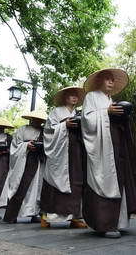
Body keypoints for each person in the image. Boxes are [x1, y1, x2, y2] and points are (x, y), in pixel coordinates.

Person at [81, 68, 136, 238]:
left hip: (116, 142)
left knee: (119, 178)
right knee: (104, 179)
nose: (111, 82)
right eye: (107, 79)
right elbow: (87, 121)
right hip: (101, 146)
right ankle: (105, 223)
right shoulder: (91, 97)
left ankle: (118, 221)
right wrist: (106, 112)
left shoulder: (111, 99)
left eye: (112, 80)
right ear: (99, 81)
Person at [40, 87, 88, 229]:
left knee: (76, 181)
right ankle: (46, 216)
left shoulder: (79, 113)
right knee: (55, 181)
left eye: (76, 96)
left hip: (76, 149)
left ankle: (74, 216)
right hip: (59, 150)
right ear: (65, 98)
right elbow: (48, 131)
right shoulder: (56, 112)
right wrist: (64, 125)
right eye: (71, 95)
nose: (74, 98)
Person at [1, 111, 47, 223]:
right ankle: (11, 215)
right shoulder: (22, 129)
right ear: (30, 119)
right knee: (21, 185)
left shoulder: (43, 131)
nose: (37, 121)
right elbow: (15, 145)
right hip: (25, 160)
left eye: (40, 120)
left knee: (37, 187)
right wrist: (26, 145)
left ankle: (33, 213)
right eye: (35, 119)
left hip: (39, 161)